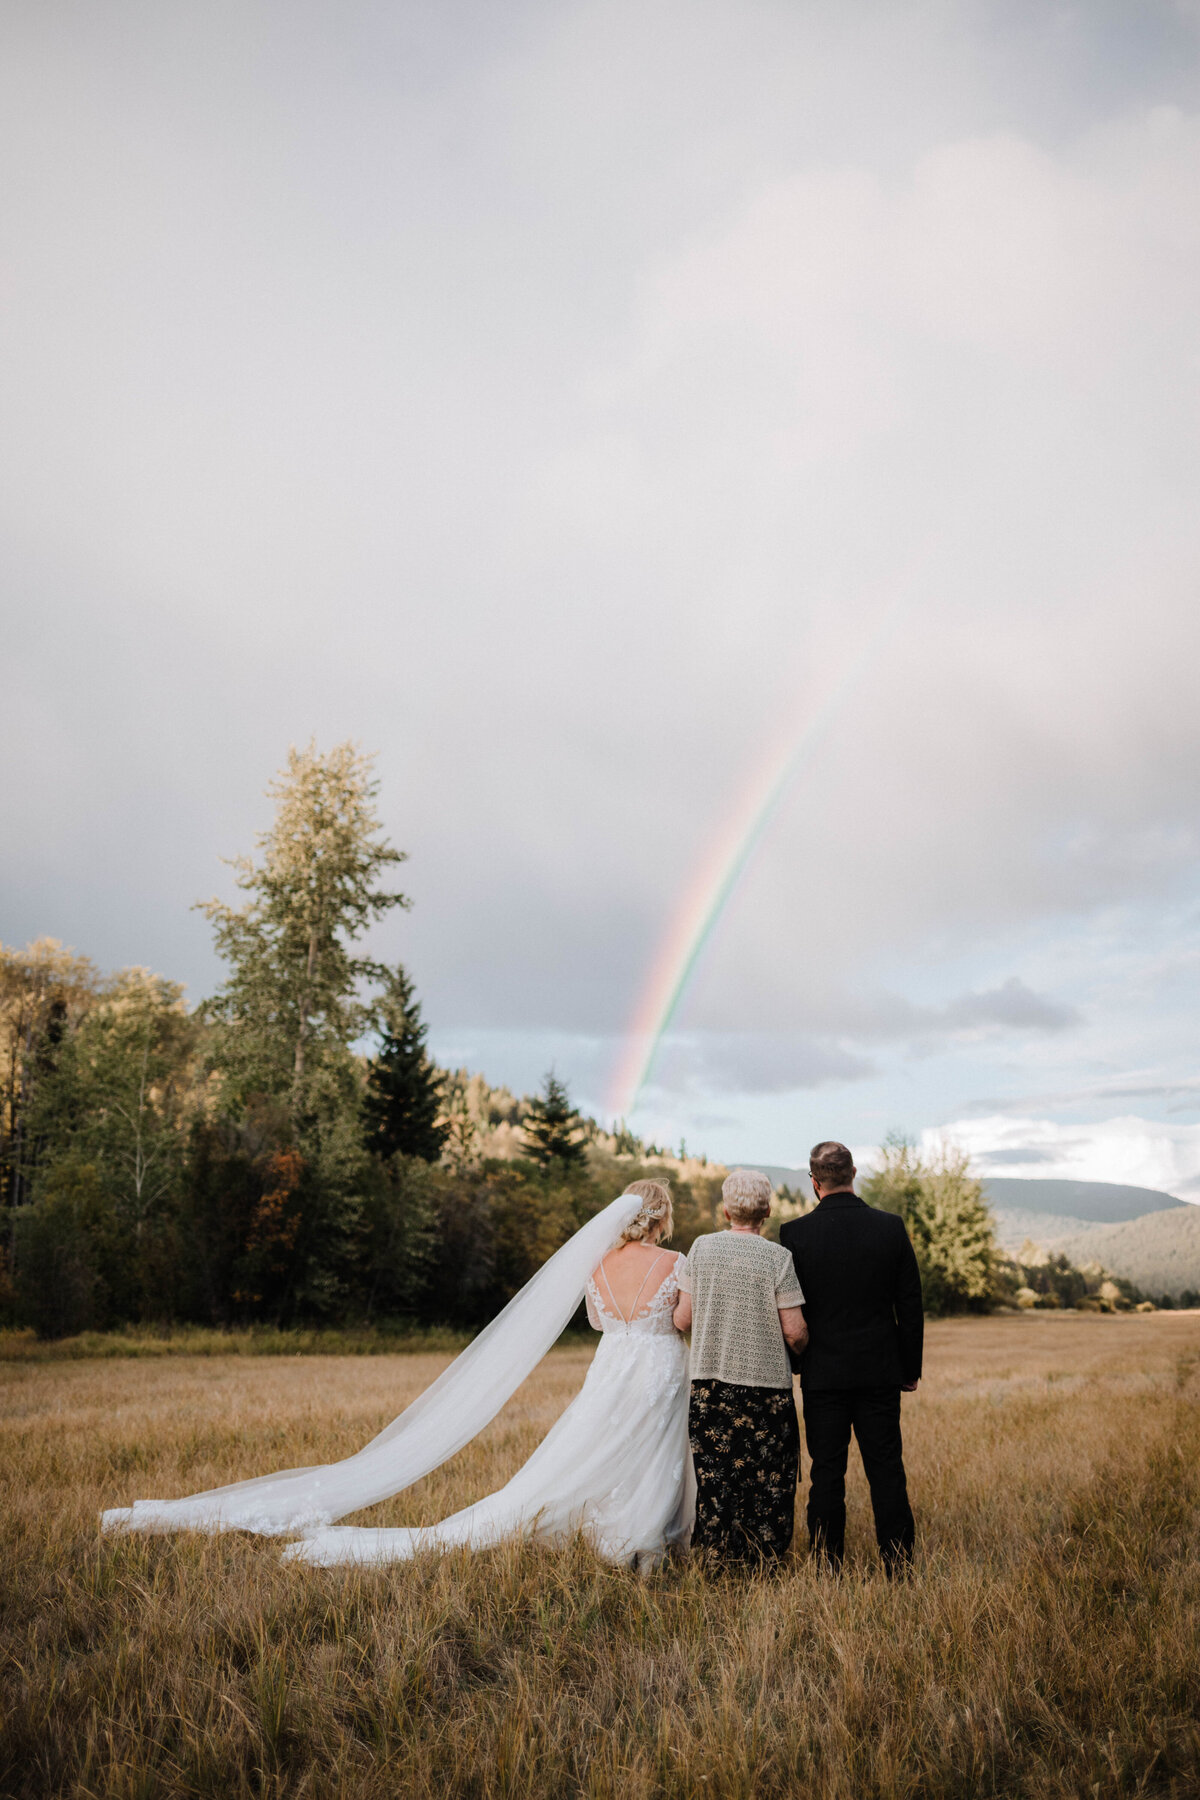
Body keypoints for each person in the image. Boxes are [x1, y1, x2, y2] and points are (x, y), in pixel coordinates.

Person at [104, 1181, 694, 1570]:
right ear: (661, 1217)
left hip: (612, 1362)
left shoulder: (596, 1264)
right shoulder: (677, 1262)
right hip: (658, 1363)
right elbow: (681, 1320)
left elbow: (596, 1320)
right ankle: (632, 1532)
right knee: (643, 1447)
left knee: (588, 1444)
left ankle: (603, 1527)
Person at [779, 1140, 923, 1575]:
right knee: (886, 1470)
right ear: (854, 1173)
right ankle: (898, 1566)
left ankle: (826, 1566)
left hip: (823, 1374)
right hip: (880, 1370)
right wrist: (909, 1368)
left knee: (826, 1473)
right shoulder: (890, 1227)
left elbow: (790, 1309)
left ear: (813, 1182)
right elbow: (910, 1304)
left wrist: (799, 1364)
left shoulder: (795, 1234)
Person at [673, 1168, 807, 1567]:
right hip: (766, 1389)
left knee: (715, 1478)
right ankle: (763, 1559)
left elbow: (682, 1319)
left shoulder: (701, 1248)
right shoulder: (779, 1258)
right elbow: (796, 1332)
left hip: (711, 1386)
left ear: (726, 1208)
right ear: (766, 1210)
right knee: (767, 1480)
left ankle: (716, 1558)